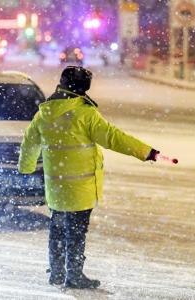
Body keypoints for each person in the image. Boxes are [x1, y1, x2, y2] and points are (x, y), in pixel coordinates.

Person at [18, 66, 160, 289]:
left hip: (56, 186)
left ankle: (56, 272)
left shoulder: (44, 114)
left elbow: (29, 143)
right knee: (76, 233)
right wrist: (145, 151)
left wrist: (26, 169)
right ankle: (74, 275)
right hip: (81, 188)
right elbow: (114, 137)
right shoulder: (85, 114)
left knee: (57, 228)